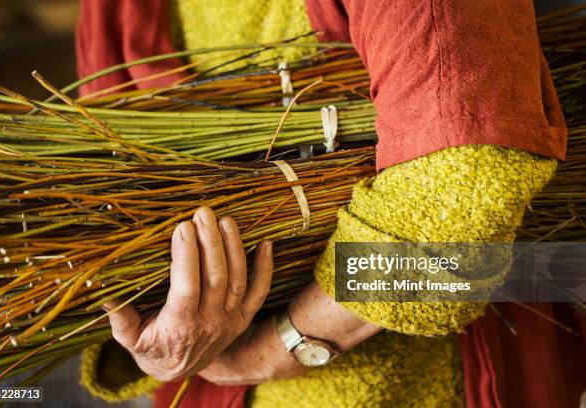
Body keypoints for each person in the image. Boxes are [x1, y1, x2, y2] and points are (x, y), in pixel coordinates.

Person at [76, 1, 583, 407]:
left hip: (423, 384)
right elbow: (101, 223)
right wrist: (155, 353)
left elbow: (463, 184)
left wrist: (279, 347)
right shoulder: (111, 12)